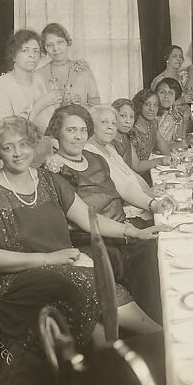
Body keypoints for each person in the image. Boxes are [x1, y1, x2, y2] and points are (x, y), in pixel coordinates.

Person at [0, 117, 162, 352]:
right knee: (84, 280)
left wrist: (133, 232)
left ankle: (108, 361)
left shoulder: (50, 181)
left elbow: (91, 220)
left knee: (93, 278)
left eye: (24, 144)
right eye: (8, 147)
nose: (18, 153)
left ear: (34, 145)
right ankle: (158, 335)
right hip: (12, 283)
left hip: (61, 269)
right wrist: (50, 259)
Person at [44, 105, 164, 322]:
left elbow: (123, 189)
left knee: (161, 247)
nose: (78, 136)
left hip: (121, 229)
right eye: (70, 130)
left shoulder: (96, 158)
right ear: (57, 133)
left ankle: (159, 322)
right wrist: (132, 232)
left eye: (82, 130)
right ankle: (147, 331)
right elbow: (88, 220)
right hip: (92, 240)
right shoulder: (55, 170)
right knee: (145, 255)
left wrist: (153, 204)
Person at [85, 105, 157, 222]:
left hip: (139, 203)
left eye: (113, 123)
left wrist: (149, 191)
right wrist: (149, 197)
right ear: (91, 126)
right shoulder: (90, 151)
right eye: (104, 122)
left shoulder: (108, 148)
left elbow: (130, 173)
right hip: (124, 214)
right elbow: (120, 186)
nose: (110, 127)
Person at [0, 29, 62, 133]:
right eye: (25, 50)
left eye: (36, 51)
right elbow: (7, 132)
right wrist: (38, 106)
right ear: (13, 56)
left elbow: (49, 120)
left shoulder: (39, 79)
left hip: (45, 143)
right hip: (17, 146)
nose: (32, 55)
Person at [35, 23, 100, 107]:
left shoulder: (83, 69)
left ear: (67, 42)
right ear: (44, 48)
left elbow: (96, 108)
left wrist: (81, 105)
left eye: (60, 42)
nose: (55, 48)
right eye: (50, 45)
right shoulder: (38, 74)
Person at [111, 98, 170, 177]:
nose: (128, 121)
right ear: (113, 117)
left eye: (131, 116)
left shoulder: (125, 138)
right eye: (123, 116)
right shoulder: (109, 142)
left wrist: (161, 160)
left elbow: (137, 165)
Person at [130, 90, 171, 161]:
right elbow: (136, 166)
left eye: (155, 105)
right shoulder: (131, 130)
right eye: (147, 104)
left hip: (150, 169)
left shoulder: (153, 124)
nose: (152, 109)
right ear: (139, 105)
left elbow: (164, 149)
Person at [155, 77, 191, 145]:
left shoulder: (180, 113)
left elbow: (181, 141)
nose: (166, 96)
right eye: (162, 92)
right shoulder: (151, 113)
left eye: (170, 93)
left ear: (176, 97)